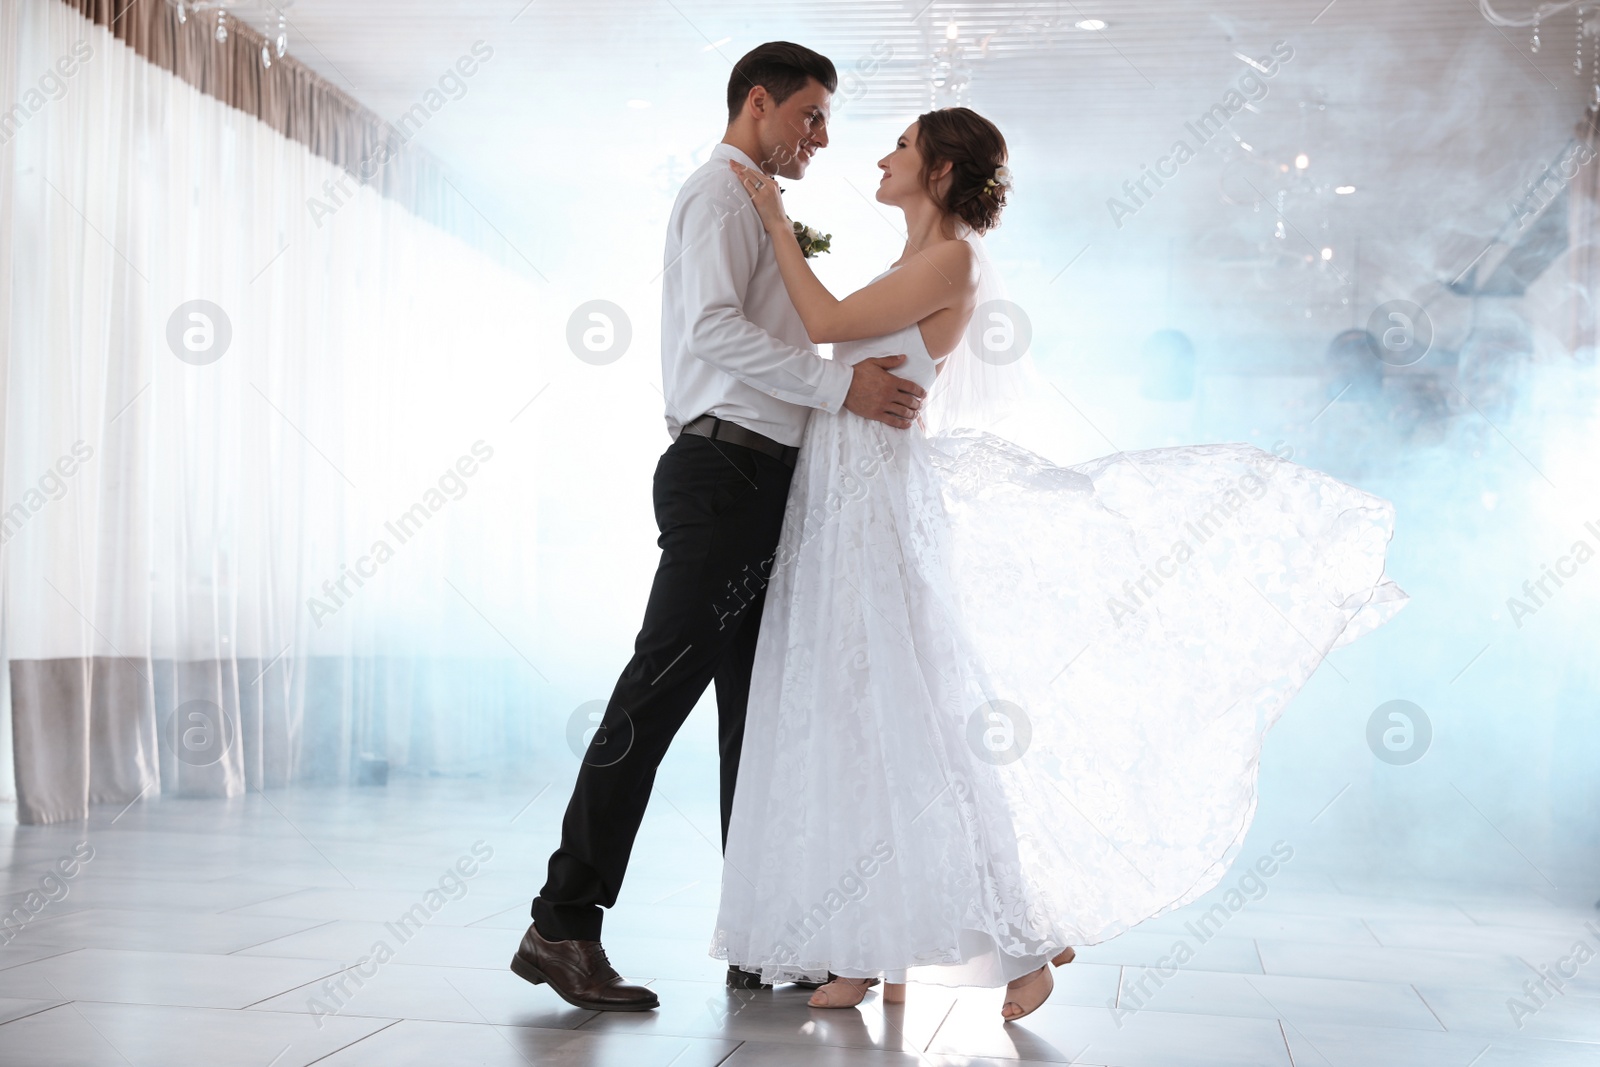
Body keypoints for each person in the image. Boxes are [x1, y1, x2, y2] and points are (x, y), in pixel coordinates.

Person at [713, 107, 1408, 1021]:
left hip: (875, 503)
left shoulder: (950, 260)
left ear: (945, 175)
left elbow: (826, 319)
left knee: (910, 719)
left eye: (903, 148)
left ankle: (1025, 944)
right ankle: (862, 944)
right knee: (850, 715)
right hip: (841, 496)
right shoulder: (908, 261)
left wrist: (770, 220)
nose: (882, 158)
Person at [508, 42, 926, 1012]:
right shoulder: (716, 197)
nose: (822, 138)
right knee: (651, 699)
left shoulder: (760, 205)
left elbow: (773, 326)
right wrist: (843, 388)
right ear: (757, 103)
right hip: (722, 472)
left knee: (760, 717)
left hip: (762, 478)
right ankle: (562, 920)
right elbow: (711, 331)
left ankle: (762, 935)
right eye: (810, 115)